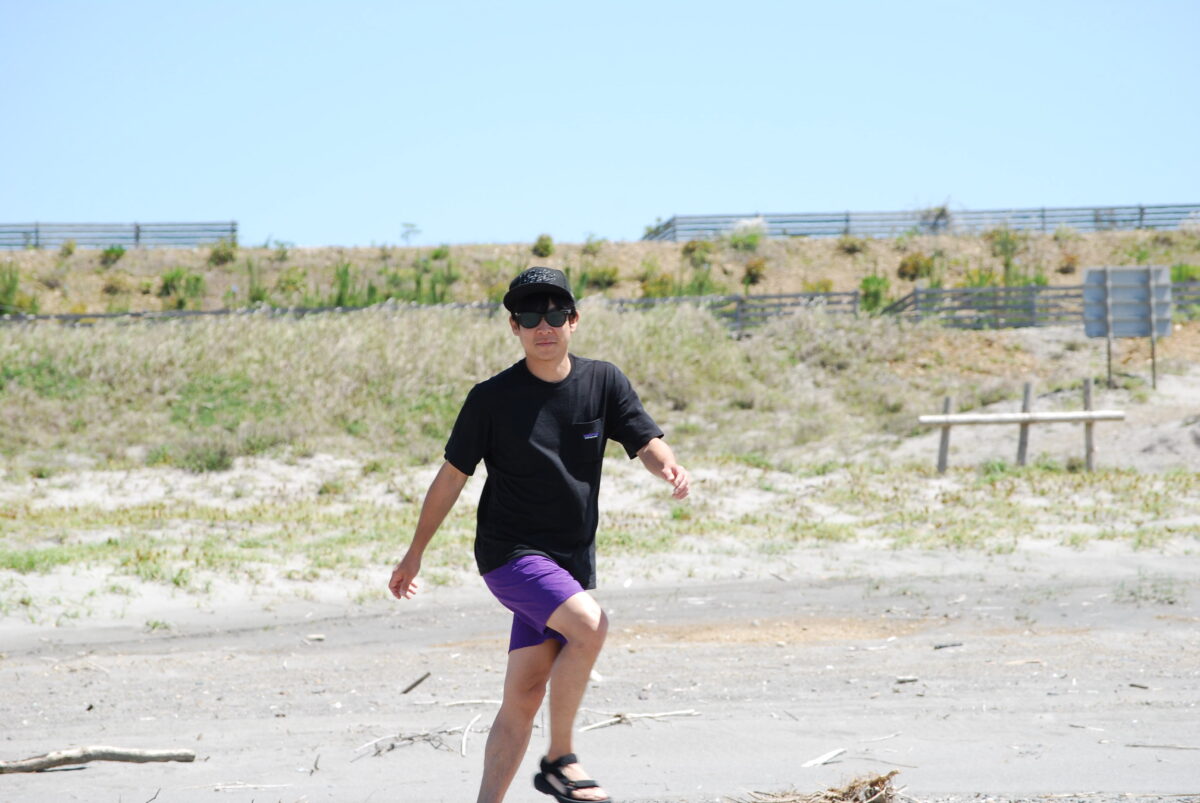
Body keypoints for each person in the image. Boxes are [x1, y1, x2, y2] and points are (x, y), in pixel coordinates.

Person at [388, 266, 690, 803]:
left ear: (574, 320)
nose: (542, 326)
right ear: (515, 327)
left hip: (567, 561)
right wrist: (415, 554)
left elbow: (644, 440)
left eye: (554, 314)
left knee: (524, 696)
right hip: (509, 555)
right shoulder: (491, 398)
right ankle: (559, 760)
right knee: (590, 626)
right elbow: (452, 477)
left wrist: (667, 464)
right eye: (529, 317)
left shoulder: (603, 382)